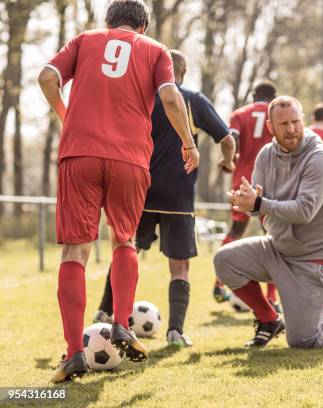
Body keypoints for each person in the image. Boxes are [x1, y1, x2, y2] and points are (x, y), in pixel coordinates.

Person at [38, 0, 199, 383]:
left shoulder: (84, 39)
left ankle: (74, 353)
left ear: (108, 22)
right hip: (130, 157)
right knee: (124, 240)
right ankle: (122, 324)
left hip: (80, 153)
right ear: (142, 26)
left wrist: (66, 114)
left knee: (75, 250)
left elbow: (46, 77)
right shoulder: (155, 49)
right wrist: (188, 143)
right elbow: (170, 97)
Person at [91, 50, 236, 348]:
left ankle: (104, 311)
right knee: (179, 265)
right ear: (183, 71)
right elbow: (227, 139)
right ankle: (175, 331)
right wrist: (227, 162)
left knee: (124, 251)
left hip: (139, 190)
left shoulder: (138, 98)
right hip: (178, 195)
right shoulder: (193, 100)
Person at [214, 96, 323, 348]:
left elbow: (304, 211)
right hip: (277, 250)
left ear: (303, 121)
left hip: (314, 261)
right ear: (270, 127)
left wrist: (258, 204)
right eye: (283, 124)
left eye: (295, 122)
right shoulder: (265, 155)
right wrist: (247, 203)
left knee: (304, 340)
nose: (291, 129)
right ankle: (269, 319)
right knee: (224, 260)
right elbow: (261, 206)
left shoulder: (321, 158)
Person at [213, 81, 279, 311]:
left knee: (235, 230)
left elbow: (233, 139)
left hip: (241, 179)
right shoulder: (275, 112)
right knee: (271, 235)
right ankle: (272, 297)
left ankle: (219, 283)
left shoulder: (240, 114)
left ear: (253, 95)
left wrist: (228, 160)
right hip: (268, 181)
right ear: (273, 97)